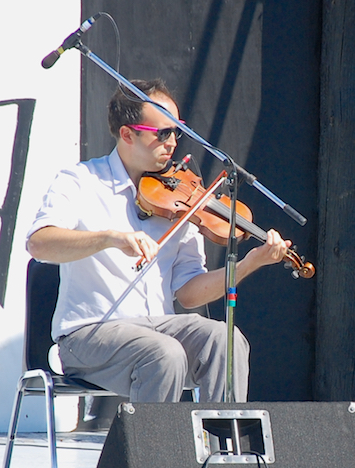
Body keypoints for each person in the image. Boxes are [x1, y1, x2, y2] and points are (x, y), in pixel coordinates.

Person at [25, 79, 291, 404]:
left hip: (159, 329)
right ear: (127, 134)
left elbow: (190, 294)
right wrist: (110, 238)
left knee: (226, 339)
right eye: (162, 133)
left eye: (177, 131)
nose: (173, 142)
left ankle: (224, 448)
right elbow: (40, 244)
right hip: (89, 334)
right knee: (164, 353)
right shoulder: (80, 182)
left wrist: (251, 264)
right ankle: (158, 454)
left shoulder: (181, 199)